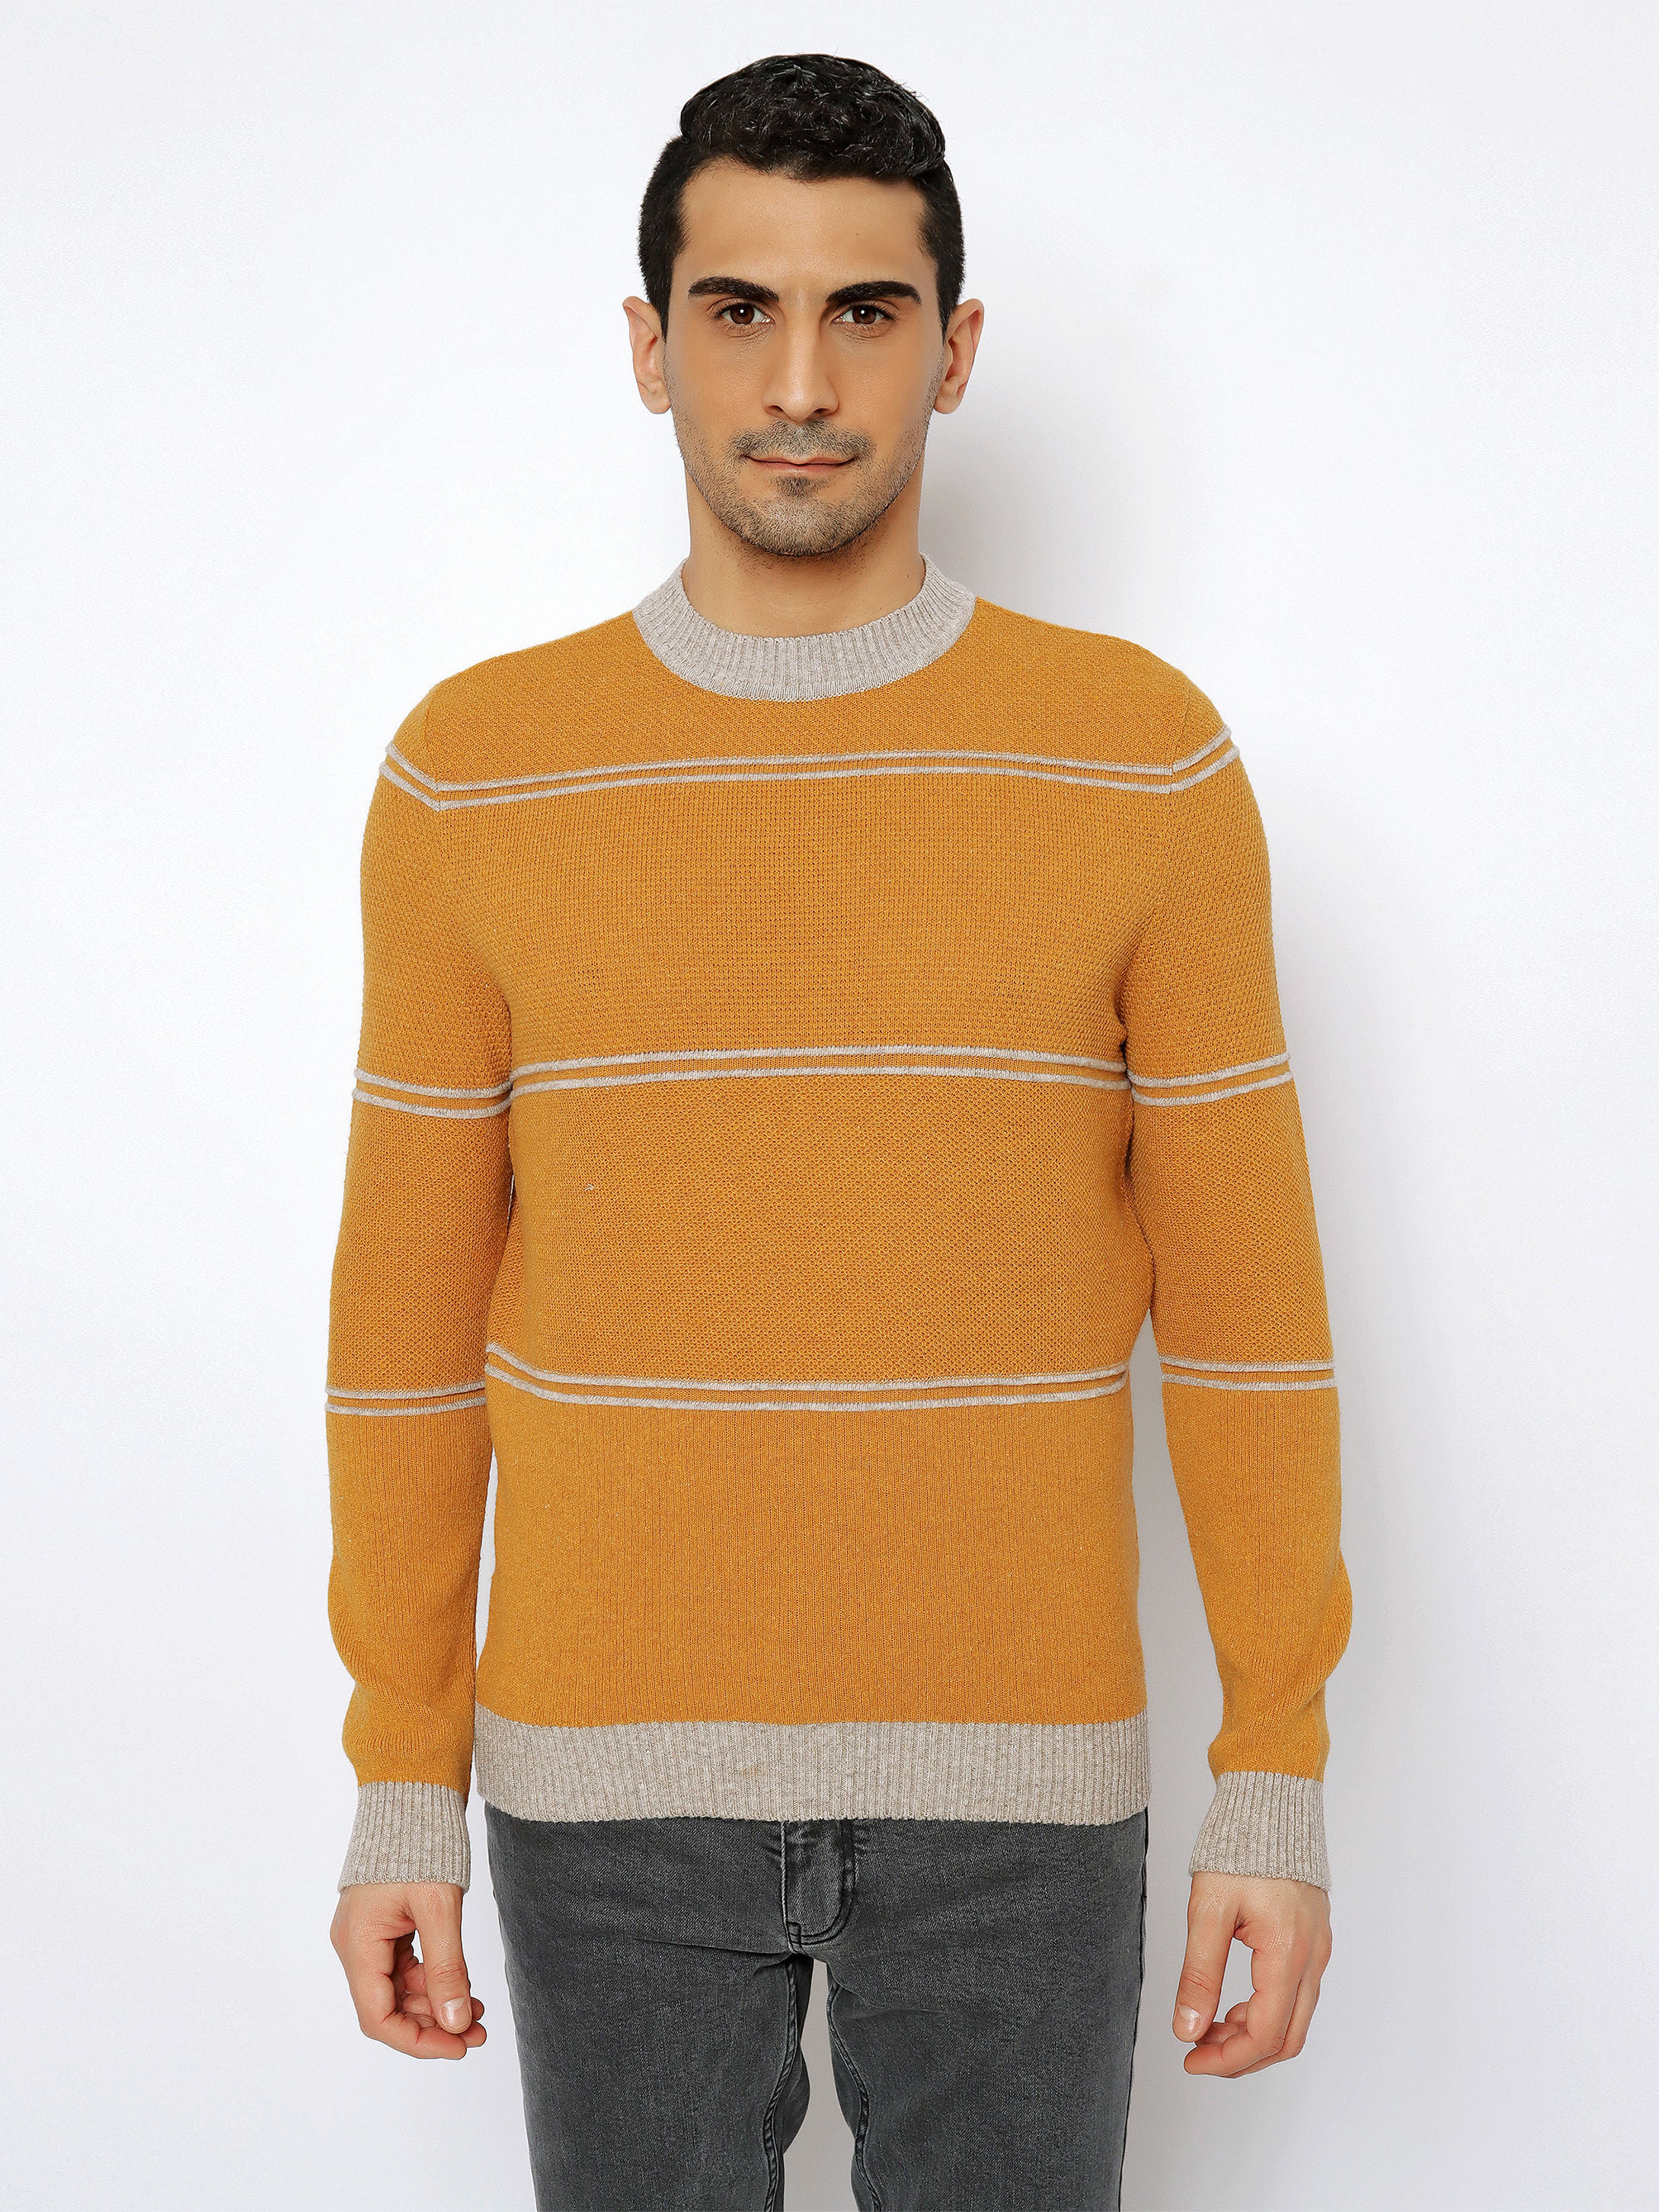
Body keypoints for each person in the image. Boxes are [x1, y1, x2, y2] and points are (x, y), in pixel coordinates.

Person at [324, 50, 1351, 2212]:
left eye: (864, 312)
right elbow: (405, 1342)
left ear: (952, 349)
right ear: (650, 346)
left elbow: (1248, 1323)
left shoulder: (1140, 762)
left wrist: (1272, 1770)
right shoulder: (475, 775)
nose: (799, 382)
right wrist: (402, 1776)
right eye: (740, 310)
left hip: (1021, 1799)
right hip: (602, 1792)